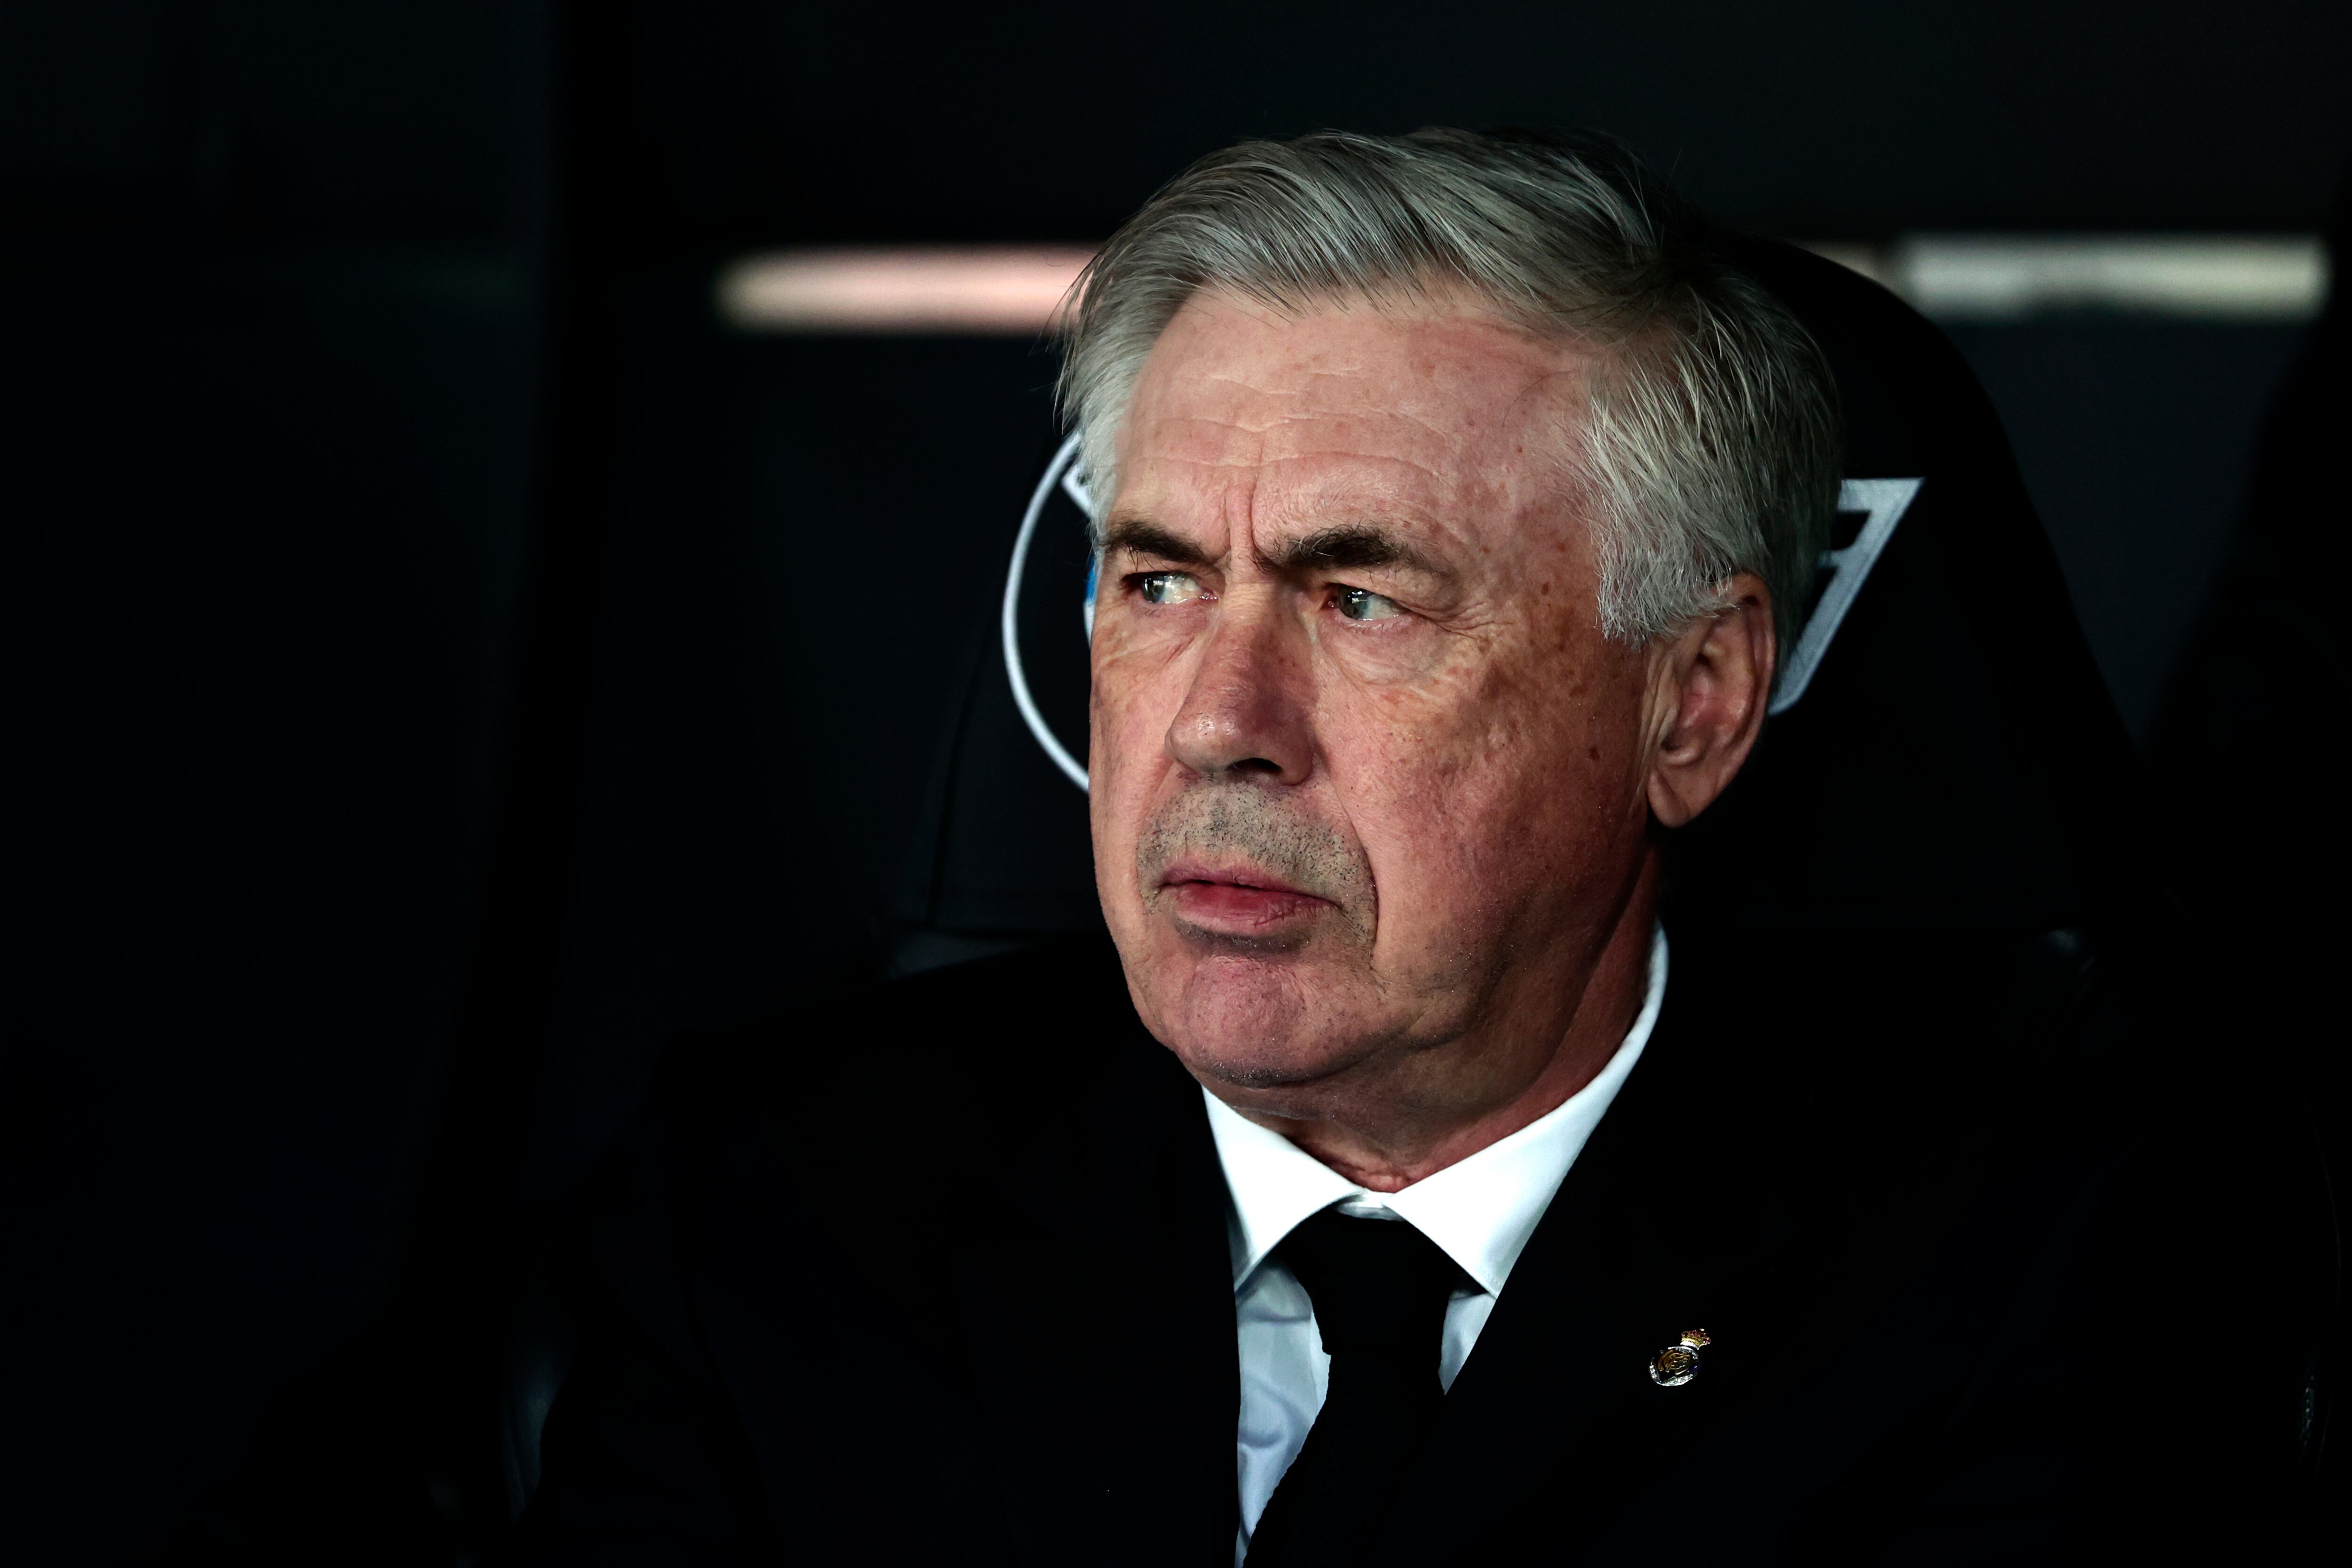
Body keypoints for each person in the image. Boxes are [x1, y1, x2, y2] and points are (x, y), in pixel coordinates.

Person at [509, 129, 2317, 1566]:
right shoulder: (770, 1215)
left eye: (1362, 597)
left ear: (1689, 704)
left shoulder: (2028, 1274)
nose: (1218, 720)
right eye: (1157, 581)